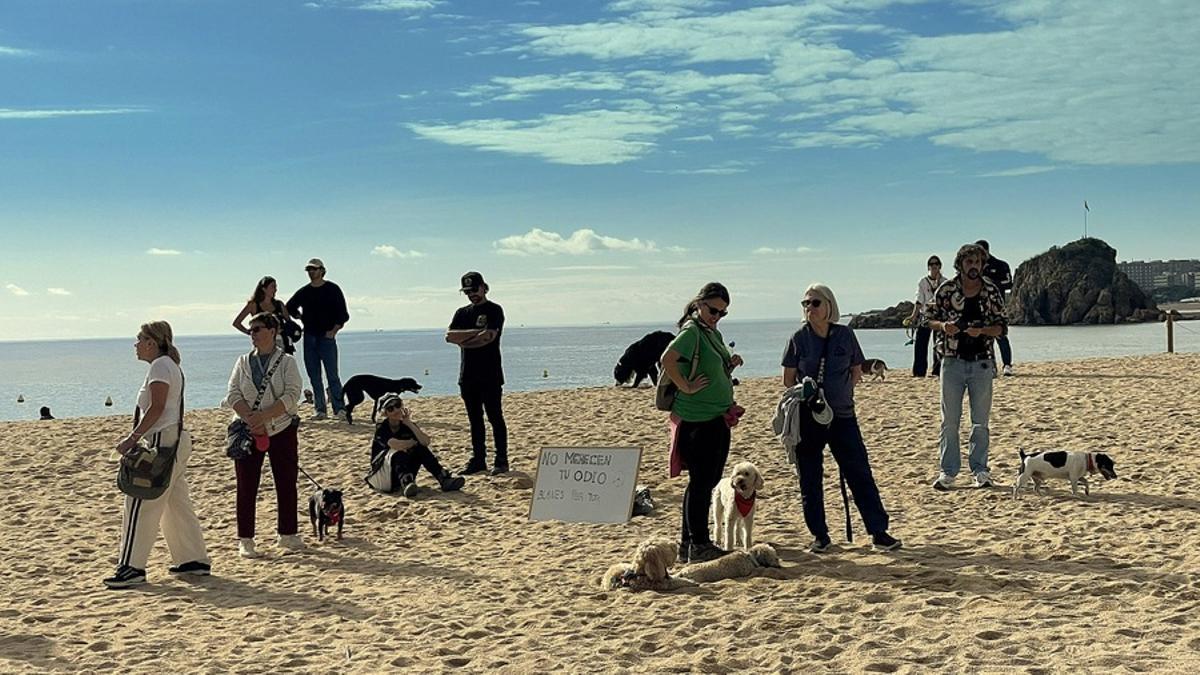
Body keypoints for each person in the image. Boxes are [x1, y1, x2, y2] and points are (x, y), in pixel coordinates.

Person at [782, 284, 902, 553]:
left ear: (829, 305)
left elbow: (857, 369)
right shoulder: (798, 339)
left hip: (843, 416)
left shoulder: (845, 335)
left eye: (814, 303)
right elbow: (788, 380)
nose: (809, 308)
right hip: (808, 418)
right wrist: (809, 393)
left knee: (859, 473)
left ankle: (878, 532)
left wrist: (842, 392)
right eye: (805, 304)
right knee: (810, 478)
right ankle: (820, 535)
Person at [104, 321, 210, 588]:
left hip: (161, 440)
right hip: (174, 439)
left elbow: (157, 408)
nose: (135, 344)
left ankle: (132, 567)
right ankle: (192, 559)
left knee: (140, 502)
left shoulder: (160, 366)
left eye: (139, 339)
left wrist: (133, 438)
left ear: (152, 342)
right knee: (176, 502)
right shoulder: (167, 365)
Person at [660, 282, 744, 564]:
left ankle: (688, 544)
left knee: (702, 483)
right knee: (701, 484)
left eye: (722, 313)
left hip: (715, 416)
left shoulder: (711, 332)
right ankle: (699, 544)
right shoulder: (692, 331)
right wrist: (686, 386)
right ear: (699, 304)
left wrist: (729, 364)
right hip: (698, 420)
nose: (716, 316)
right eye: (712, 310)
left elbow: (707, 365)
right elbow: (667, 359)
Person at [926, 243, 1008, 491]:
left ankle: (980, 470)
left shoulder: (991, 291)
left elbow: (1003, 327)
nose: (974, 267)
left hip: (982, 362)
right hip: (951, 362)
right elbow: (927, 318)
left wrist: (982, 330)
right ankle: (948, 472)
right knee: (949, 421)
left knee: (980, 422)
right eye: (969, 262)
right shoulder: (946, 289)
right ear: (960, 264)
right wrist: (943, 327)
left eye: (978, 263)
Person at [223, 312, 304, 558]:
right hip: (248, 430)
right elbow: (233, 393)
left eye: (257, 329)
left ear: (273, 331)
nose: (252, 334)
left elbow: (292, 394)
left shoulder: (287, 362)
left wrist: (265, 416)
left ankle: (287, 534)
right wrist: (250, 417)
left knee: (286, 482)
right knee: (246, 485)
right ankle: (245, 540)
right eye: (251, 329)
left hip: (281, 428)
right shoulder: (243, 362)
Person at [445, 271, 509, 476]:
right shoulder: (461, 313)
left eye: (474, 289)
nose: (471, 294)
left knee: (495, 418)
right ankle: (478, 459)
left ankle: (501, 460)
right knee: (475, 420)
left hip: (490, 374)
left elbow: (488, 337)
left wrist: (464, 339)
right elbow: (449, 336)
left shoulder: (494, 310)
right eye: (467, 291)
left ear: (484, 287)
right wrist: (473, 334)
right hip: (468, 375)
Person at [286, 258, 349, 421]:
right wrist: (299, 317)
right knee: (314, 376)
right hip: (309, 337)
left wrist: (334, 330)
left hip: (327, 338)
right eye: (309, 270)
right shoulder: (305, 291)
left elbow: (343, 314)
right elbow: (289, 306)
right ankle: (320, 409)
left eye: (314, 269)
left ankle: (339, 408)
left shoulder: (332, 289)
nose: (311, 272)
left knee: (332, 375)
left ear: (322, 270)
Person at [369, 393, 466, 497]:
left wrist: (409, 423)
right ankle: (406, 482)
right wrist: (410, 443)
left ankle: (443, 478)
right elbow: (395, 444)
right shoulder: (382, 428)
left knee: (420, 448)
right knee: (398, 452)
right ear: (385, 413)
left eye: (397, 405)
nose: (396, 410)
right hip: (384, 476)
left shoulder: (406, 425)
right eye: (390, 408)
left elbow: (425, 441)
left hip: (404, 472)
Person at [975, 240, 1014, 376]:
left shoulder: (1000, 265)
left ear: (986, 250)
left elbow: (1009, 283)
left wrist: (993, 282)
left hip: (997, 306)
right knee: (983, 337)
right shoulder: (974, 267)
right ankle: (990, 365)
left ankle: (1007, 365)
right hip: (979, 307)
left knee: (1001, 335)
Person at [233, 276, 295, 354]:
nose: (275, 290)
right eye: (273, 287)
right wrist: (250, 332)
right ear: (264, 289)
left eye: (276, 287)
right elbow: (236, 323)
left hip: (280, 342)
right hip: (261, 343)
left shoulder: (279, 305)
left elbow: (289, 323)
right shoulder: (253, 305)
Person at [908, 255, 945, 378]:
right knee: (921, 344)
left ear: (940, 266)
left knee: (939, 344)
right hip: (926, 315)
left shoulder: (945, 282)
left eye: (936, 264)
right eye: (931, 265)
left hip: (940, 316)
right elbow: (919, 299)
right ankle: (919, 371)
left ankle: (937, 370)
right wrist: (913, 316)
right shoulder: (923, 282)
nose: (934, 267)